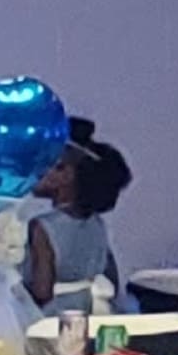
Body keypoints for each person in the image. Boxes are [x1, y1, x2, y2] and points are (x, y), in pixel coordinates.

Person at [23, 123, 131, 311]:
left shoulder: (43, 227)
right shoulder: (97, 224)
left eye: (46, 164)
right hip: (94, 312)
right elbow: (110, 276)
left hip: (56, 320)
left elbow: (42, 291)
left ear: (66, 175)